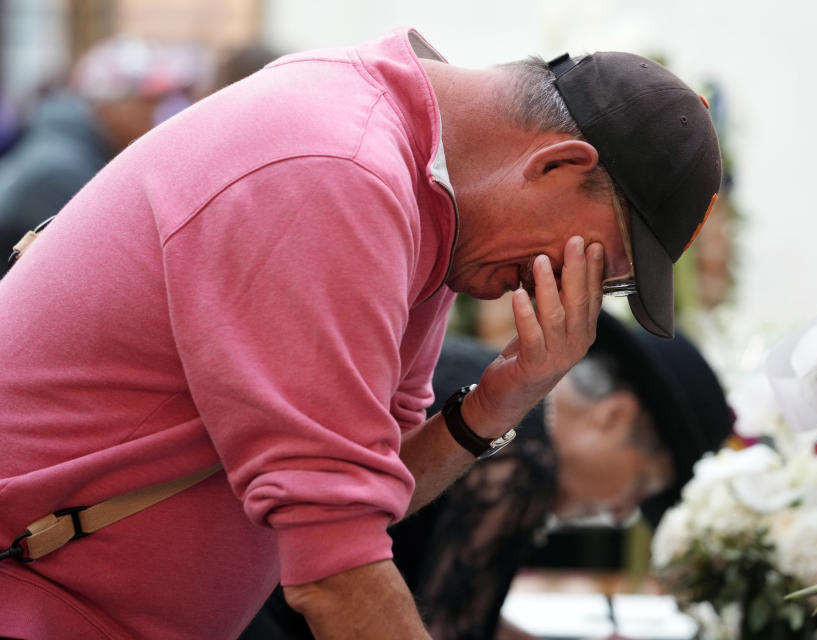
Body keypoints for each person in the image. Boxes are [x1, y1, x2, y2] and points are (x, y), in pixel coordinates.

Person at [0, 27, 720, 639]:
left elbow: (378, 489)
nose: (570, 290)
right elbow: (336, 571)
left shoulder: (428, 192)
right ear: (558, 165)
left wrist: (503, 397)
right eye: (602, 266)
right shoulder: (341, 171)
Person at [241, 310, 734, 640]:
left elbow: (431, 596)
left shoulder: (481, 375)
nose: (624, 510)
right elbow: (452, 629)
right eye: (642, 484)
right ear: (615, 416)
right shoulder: (524, 459)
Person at [0, 35, 196, 274]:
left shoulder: (71, 154)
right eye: (146, 103)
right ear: (107, 104)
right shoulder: (60, 175)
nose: (155, 117)